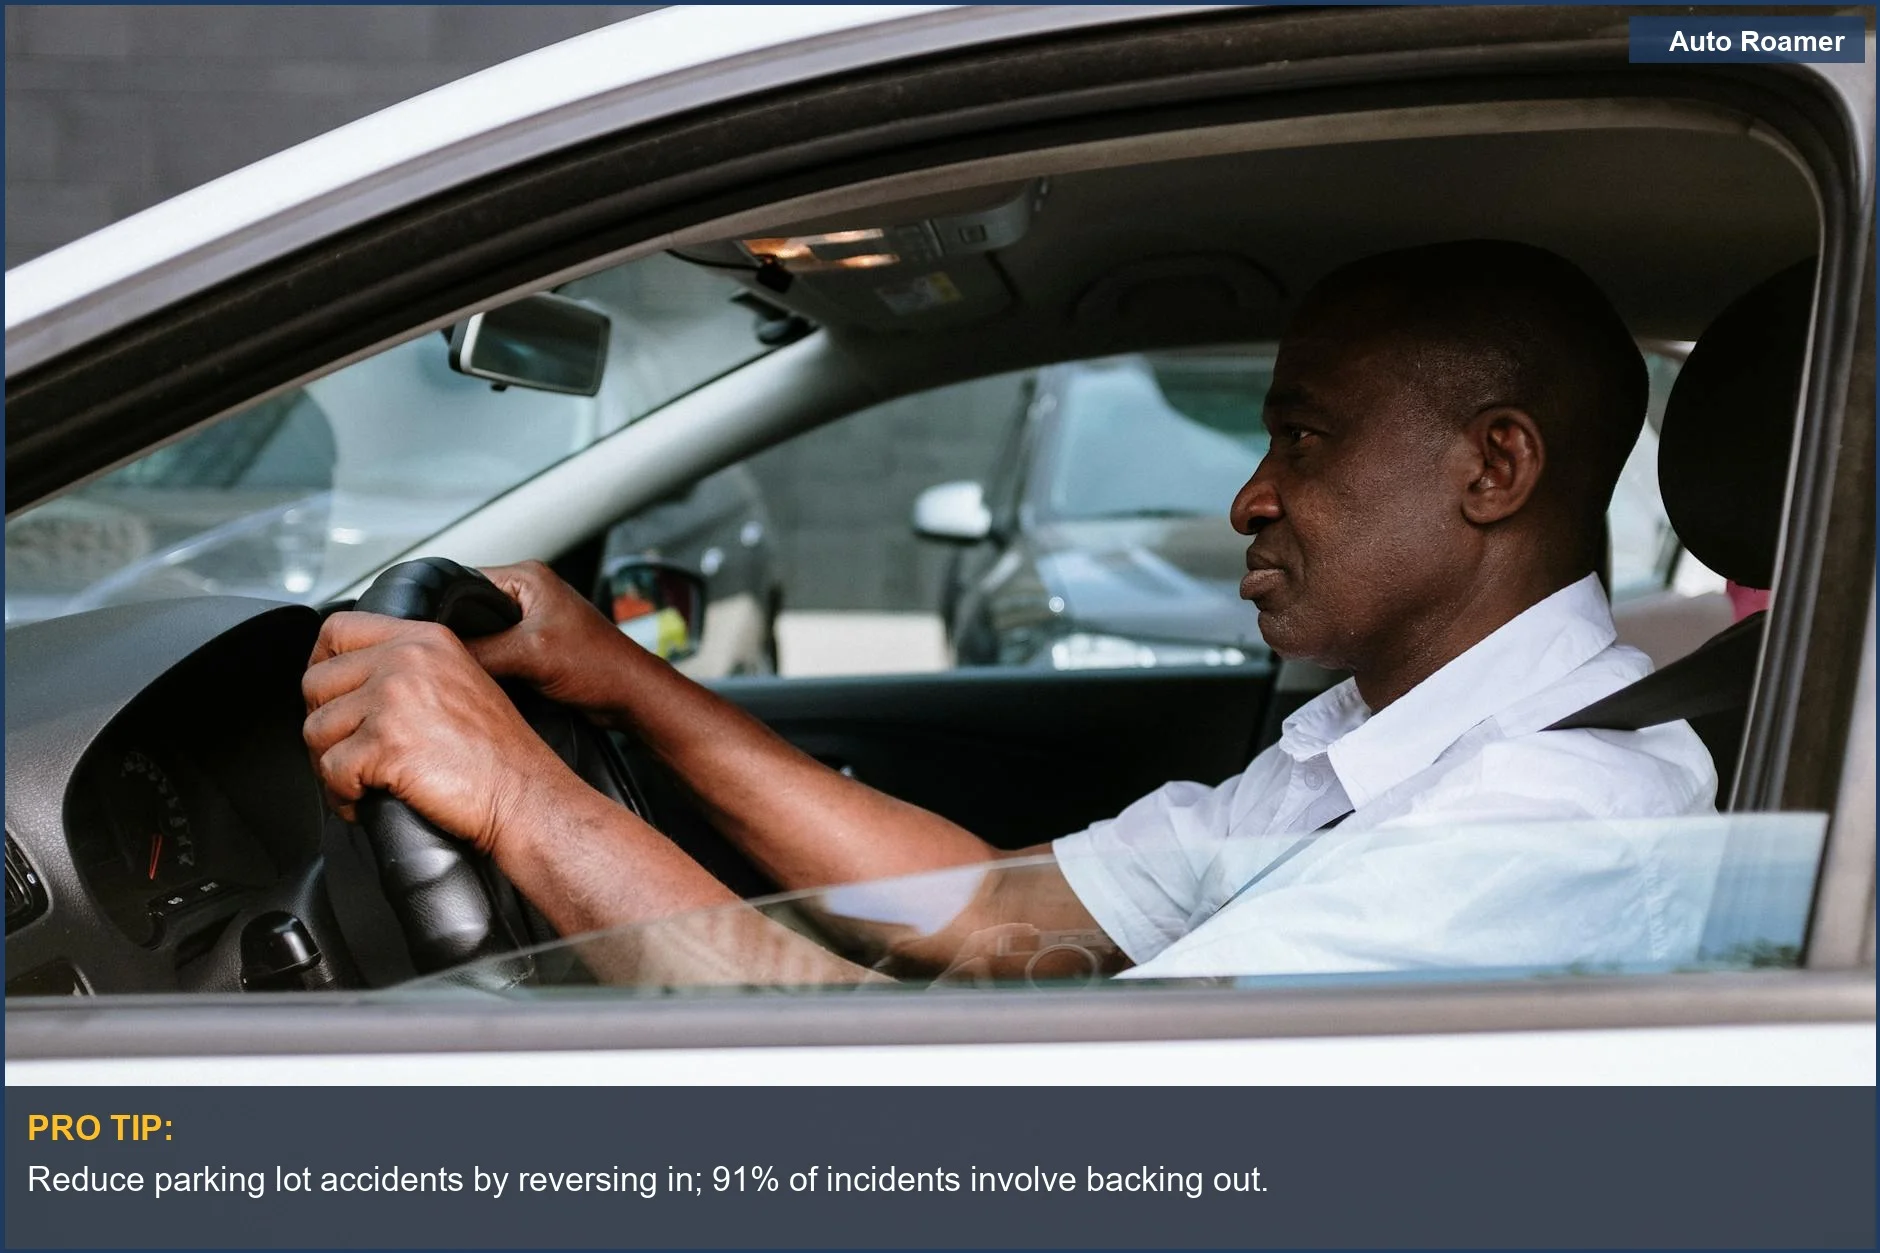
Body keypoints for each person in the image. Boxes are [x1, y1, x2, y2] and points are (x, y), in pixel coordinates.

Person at [301, 240, 1718, 985]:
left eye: (1304, 440)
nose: (1249, 499)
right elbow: (987, 908)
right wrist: (620, 680)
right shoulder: (1371, 751)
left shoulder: (1538, 821)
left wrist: (521, 802)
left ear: (1495, 467)